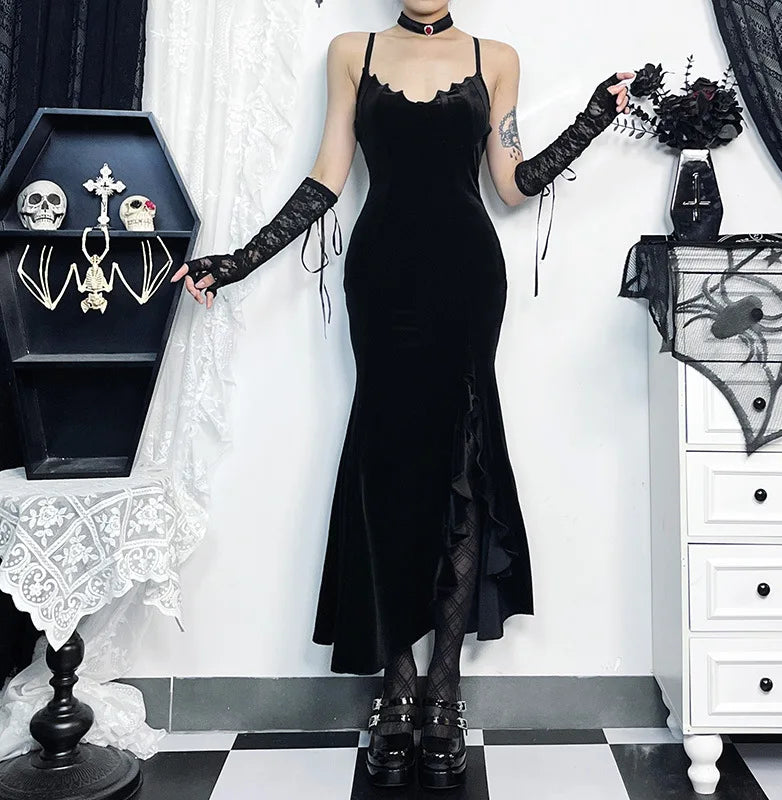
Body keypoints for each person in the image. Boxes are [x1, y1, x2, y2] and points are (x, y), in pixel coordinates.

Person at [171, 1, 631, 790]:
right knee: (385, 469)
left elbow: (513, 185)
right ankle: (398, 683)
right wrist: (238, 260)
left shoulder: (496, 57)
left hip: (466, 278)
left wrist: (592, 118)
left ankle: (444, 687)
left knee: (462, 462)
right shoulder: (351, 50)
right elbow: (326, 179)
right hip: (382, 277)